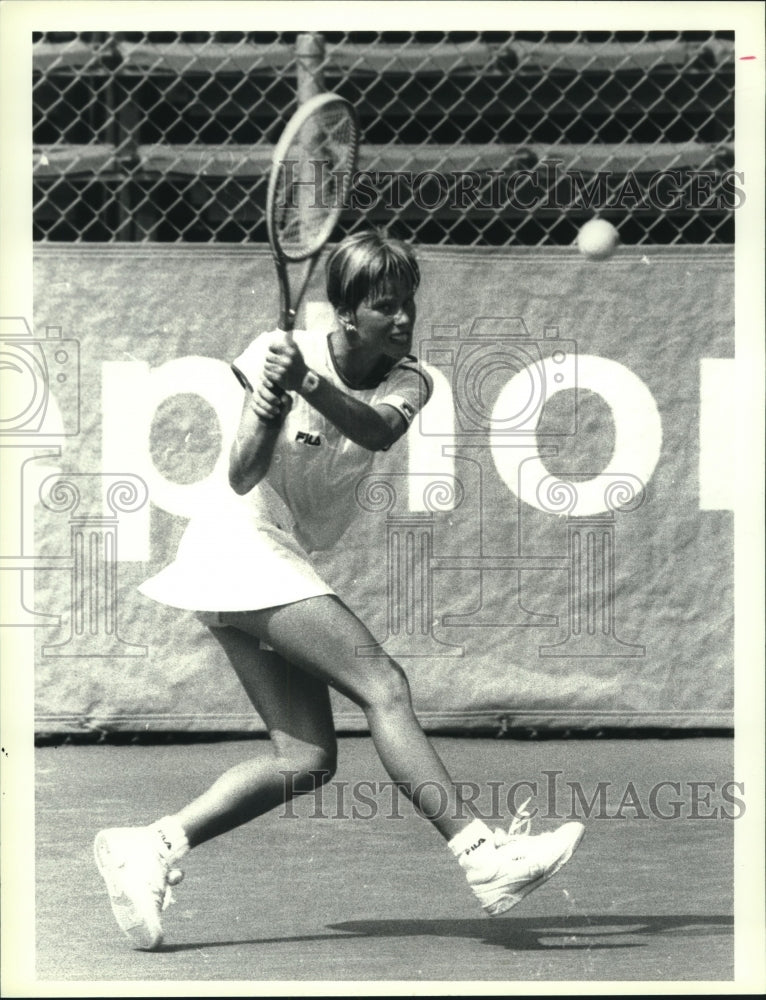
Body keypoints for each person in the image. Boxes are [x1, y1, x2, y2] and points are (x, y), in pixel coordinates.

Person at [94, 231, 584, 950]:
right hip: (237, 541)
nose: (403, 317)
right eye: (386, 306)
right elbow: (241, 475)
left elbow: (377, 430)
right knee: (383, 684)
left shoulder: (410, 379)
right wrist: (268, 405)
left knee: (306, 761)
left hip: (269, 553)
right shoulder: (276, 353)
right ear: (347, 314)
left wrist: (308, 386)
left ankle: (153, 845)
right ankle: (483, 857)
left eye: (408, 302)